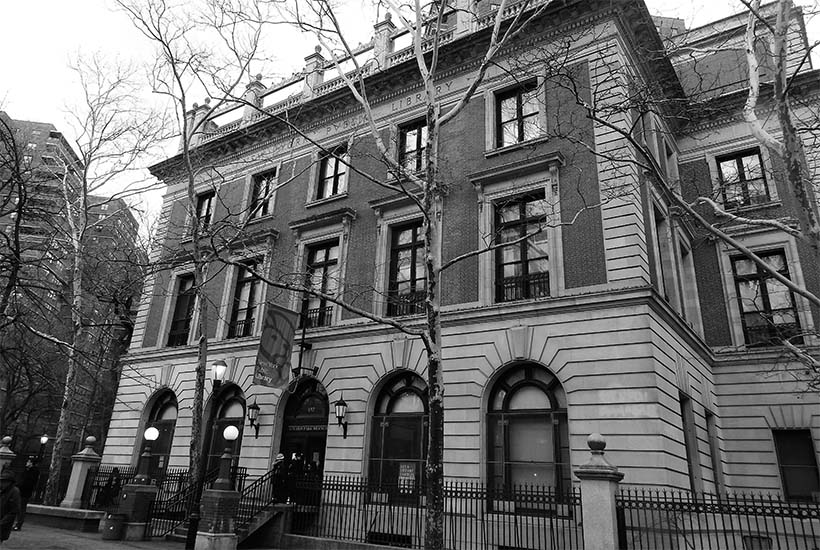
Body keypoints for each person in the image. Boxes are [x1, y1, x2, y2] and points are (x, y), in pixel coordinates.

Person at [13, 458, 38, 530]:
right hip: (22, 491)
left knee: (21, 508)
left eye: (28, 462)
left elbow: (27, 482)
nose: (27, 463)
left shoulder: (33, 472)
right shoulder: (27, 470)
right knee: (19, 508)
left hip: (25, 492)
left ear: (31, 463)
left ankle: (18, 524)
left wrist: (19, 485)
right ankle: (17, 523)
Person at [0, 470, 21, 543]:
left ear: (9, 482)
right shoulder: (2, 490)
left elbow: (13, 511)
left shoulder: (14, 492)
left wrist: (2, 522)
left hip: (3, 525)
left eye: (4, 481)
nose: (2, 483)